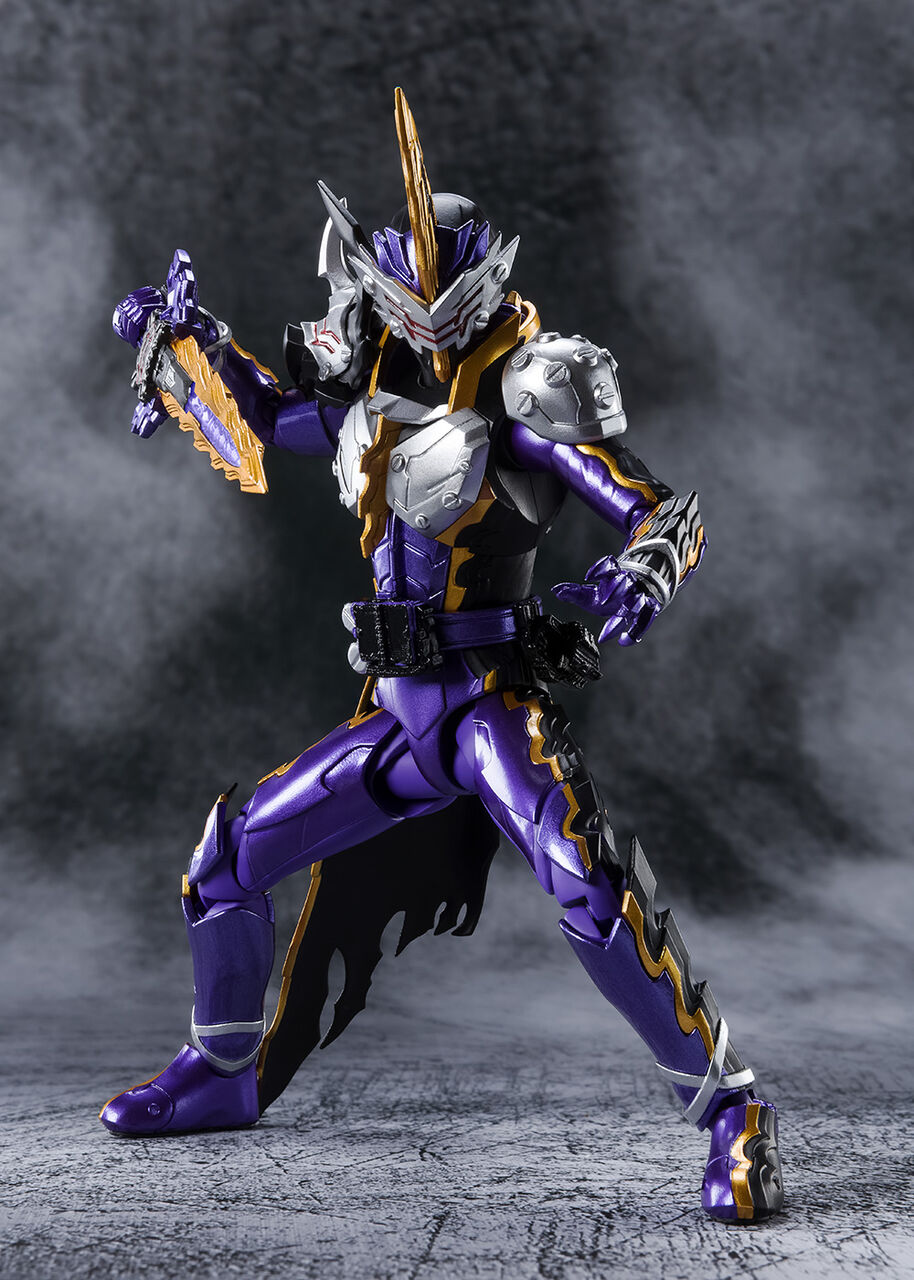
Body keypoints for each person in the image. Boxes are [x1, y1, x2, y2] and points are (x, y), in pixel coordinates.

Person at [100, 89, 783, 1224]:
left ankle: (732, 1110)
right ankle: (221, 1070)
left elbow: (658, 505)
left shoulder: (529, 387)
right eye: (401, 310)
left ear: (483, 286)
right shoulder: (371, 381)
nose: (422, 333)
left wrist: (639, 568)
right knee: (225, 857)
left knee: (588, 885)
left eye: (442, 312)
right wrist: (185, 343)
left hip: (490, 708)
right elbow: (266, 421)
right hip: (396, 717)